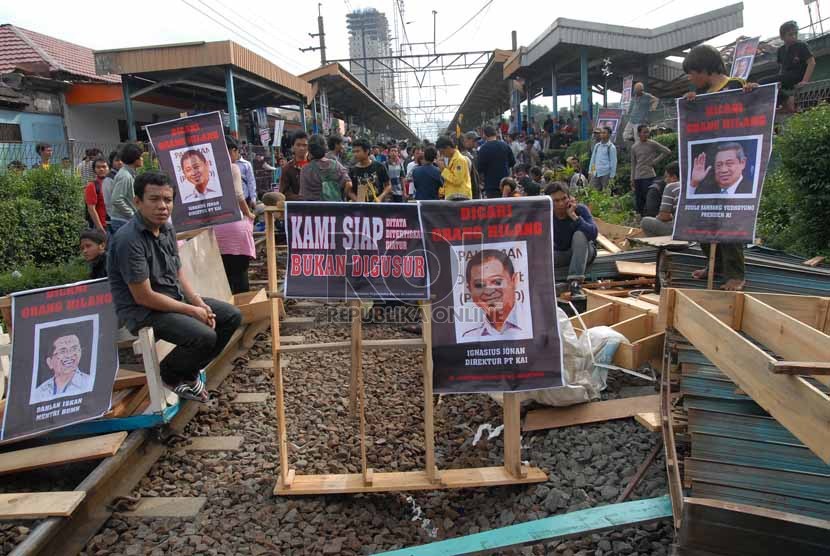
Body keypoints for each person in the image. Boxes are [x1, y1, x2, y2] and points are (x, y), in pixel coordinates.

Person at [108, 170, 242, 402]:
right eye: (154, 199)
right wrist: (192, 310)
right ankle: (170, 373)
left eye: (167, 200)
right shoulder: (128, 240)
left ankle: (188, 373)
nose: (162, 206)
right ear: (137, 201)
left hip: (172, 300)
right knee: (205, 336)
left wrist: (198, 302)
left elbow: (178, 271)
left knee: (230, 316)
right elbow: (144, 297)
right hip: (144, 312)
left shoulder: (167, 228)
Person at [682, 43, 759, 291]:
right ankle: (713, 264)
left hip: (731, 161)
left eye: (692, 73)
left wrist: (754, 93)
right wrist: (690, 103)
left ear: (704, 68)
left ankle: (735, 274)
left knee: (729, 219)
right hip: (710, 166)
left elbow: (755, 112)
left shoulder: (735, 85)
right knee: (703, 216)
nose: (691, 78)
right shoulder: (701, 93)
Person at [214, 137, 257, 294]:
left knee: (223, 276)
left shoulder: (207, 169)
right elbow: (239, 195)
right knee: (240, 275)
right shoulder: (232, 168)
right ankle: (244, 311)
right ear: (232, 151)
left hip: (215, 229)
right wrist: (249, 213)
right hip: (234, 225)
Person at [459, 250, 528, 341]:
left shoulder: (532, 325)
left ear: (514, 281)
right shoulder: (468, 337)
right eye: (479, 285)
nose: (488, 291)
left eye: (497, 282)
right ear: (470, 289)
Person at [546, 182, 598, 301]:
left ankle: (575, 283)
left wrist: (574, 217)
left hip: (584, 252)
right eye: (556, 200)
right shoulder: (546, 215)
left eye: (564, 199)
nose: (560, 204)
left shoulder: (580, 210)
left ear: (569, 198)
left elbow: (593, 234)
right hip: (561, 254)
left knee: (580, 235)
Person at [767, 21, 816, 113]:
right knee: (770, 85)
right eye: (790, 34)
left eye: (795, 34)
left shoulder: (801, 45)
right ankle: (786, 103)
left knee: (763, 82)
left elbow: (811, 63)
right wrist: (779, 81)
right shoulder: (781, 50)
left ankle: (787, 100)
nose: (794, 36)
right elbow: (782, 68)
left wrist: (805, 81)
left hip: (797, 75)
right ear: (782, 37)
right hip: (786, 76)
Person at [31, 334, 92, 403]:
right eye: (62, 351)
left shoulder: (89, 383)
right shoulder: (39, 392)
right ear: (49, 362)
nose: (69, 355)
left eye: (74, 349)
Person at [630, 124, 671, 215]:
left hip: (649, 175)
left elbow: (667, 151)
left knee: (648, 198)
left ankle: (649, 217)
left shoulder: (652, 143)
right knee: (639, 200)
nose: (646, 134)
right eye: (644, 132)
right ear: (639, 133)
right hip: (638, 176)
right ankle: (640, 219)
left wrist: (655, 161)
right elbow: (633, 164)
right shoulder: (634, 147)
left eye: (647, 132)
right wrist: (632, 178)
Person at [300, 134, 351, 202]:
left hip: (314, 209)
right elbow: (349, 184)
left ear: (309, 150)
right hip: (335, 208)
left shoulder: (305, 169)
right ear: (325, 148)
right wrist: (342, 197)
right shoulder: (336, 165)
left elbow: (303, 195)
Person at [107, 143, 142, 234]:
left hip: (125, 220)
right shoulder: (125, 176)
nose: (142, 159)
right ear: (134, 159)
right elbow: (116, 199)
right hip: (122, 221)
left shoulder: (130, 173)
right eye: (140, 157)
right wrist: (132, 214)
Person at [641, 162, 680, 237]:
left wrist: (661, 216)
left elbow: (664, 216)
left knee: (645, 222)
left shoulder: (671, 186)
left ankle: (665, 245)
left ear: (674, 177)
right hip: (697, 229)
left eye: (666, 177)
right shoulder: (696, 185)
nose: (665, 180)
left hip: (679, 230)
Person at [476, 126, 515, 199]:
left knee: (494, 208)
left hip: (491, 186)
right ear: (495, 134)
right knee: (507, 207)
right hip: (506, 184)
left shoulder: (483, 149)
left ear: (484, 135)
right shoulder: (505, 146)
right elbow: (512, 162)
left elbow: (480, 168)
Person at [435, 135, 472, 201]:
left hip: (460, 197)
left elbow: (457, 180)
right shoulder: (453, 159)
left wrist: (443, 169)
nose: (442, 154)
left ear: (448, 147)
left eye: (442, 152)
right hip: (455, 196)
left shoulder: (459, 160)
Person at [279, 131, 309, 201]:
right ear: (292, 147)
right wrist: (301, 198)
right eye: (298, 145)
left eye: (304, 145)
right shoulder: (287, 168)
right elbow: (283, 193)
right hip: (297, 208)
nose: (301, 148)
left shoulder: (314, 165)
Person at [84, 157, 109, 233]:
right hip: (102, 226)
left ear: (108, 168)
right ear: (94, 169)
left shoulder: (113, 183)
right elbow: (91, 209)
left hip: (114, 224)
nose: (101, 169)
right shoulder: (92, 186)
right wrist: (100, 228)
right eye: (98, 167)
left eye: (104, 167)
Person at [588, 127, 617, 191]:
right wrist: (591, 171)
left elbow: (613, 163)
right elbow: (593, 160)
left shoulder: (611, 147)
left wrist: (612, 176)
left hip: (606, 174)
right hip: (596, 173)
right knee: (592, 192)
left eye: (604, 133)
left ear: (609, 135)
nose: (602, 134)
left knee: (605, 194)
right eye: (601, 133)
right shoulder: (597, 145)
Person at [460, 132, 481, 199]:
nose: (476, 142)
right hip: (468, 188)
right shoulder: (461, 155)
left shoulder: (475, 153)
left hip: (476, 185)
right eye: (474, 140)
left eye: (477, 140)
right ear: (466, 140)